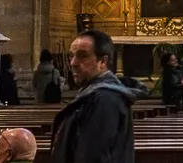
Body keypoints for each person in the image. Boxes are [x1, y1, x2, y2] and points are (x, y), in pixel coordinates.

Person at [50, 30, 136, 163]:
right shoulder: (96, 93)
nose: (73, 63)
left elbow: (92, 157)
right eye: (71, 56)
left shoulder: (104, 98)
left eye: (82, 56)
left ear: (102, 61)